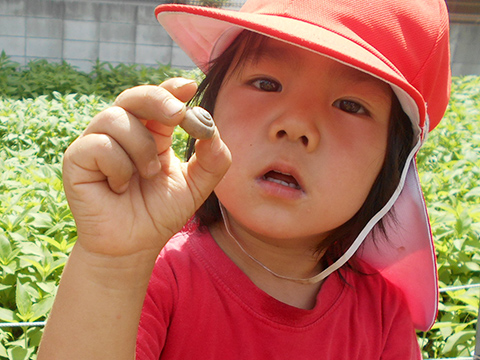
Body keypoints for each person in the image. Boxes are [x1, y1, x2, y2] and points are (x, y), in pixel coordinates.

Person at [37, 0, 451, 359]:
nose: (295, 125)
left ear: (394, 166)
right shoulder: (155, 277)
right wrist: (112, 264)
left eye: (350, 105)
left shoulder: (382, 315)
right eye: (266, 83)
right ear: (209, 108)